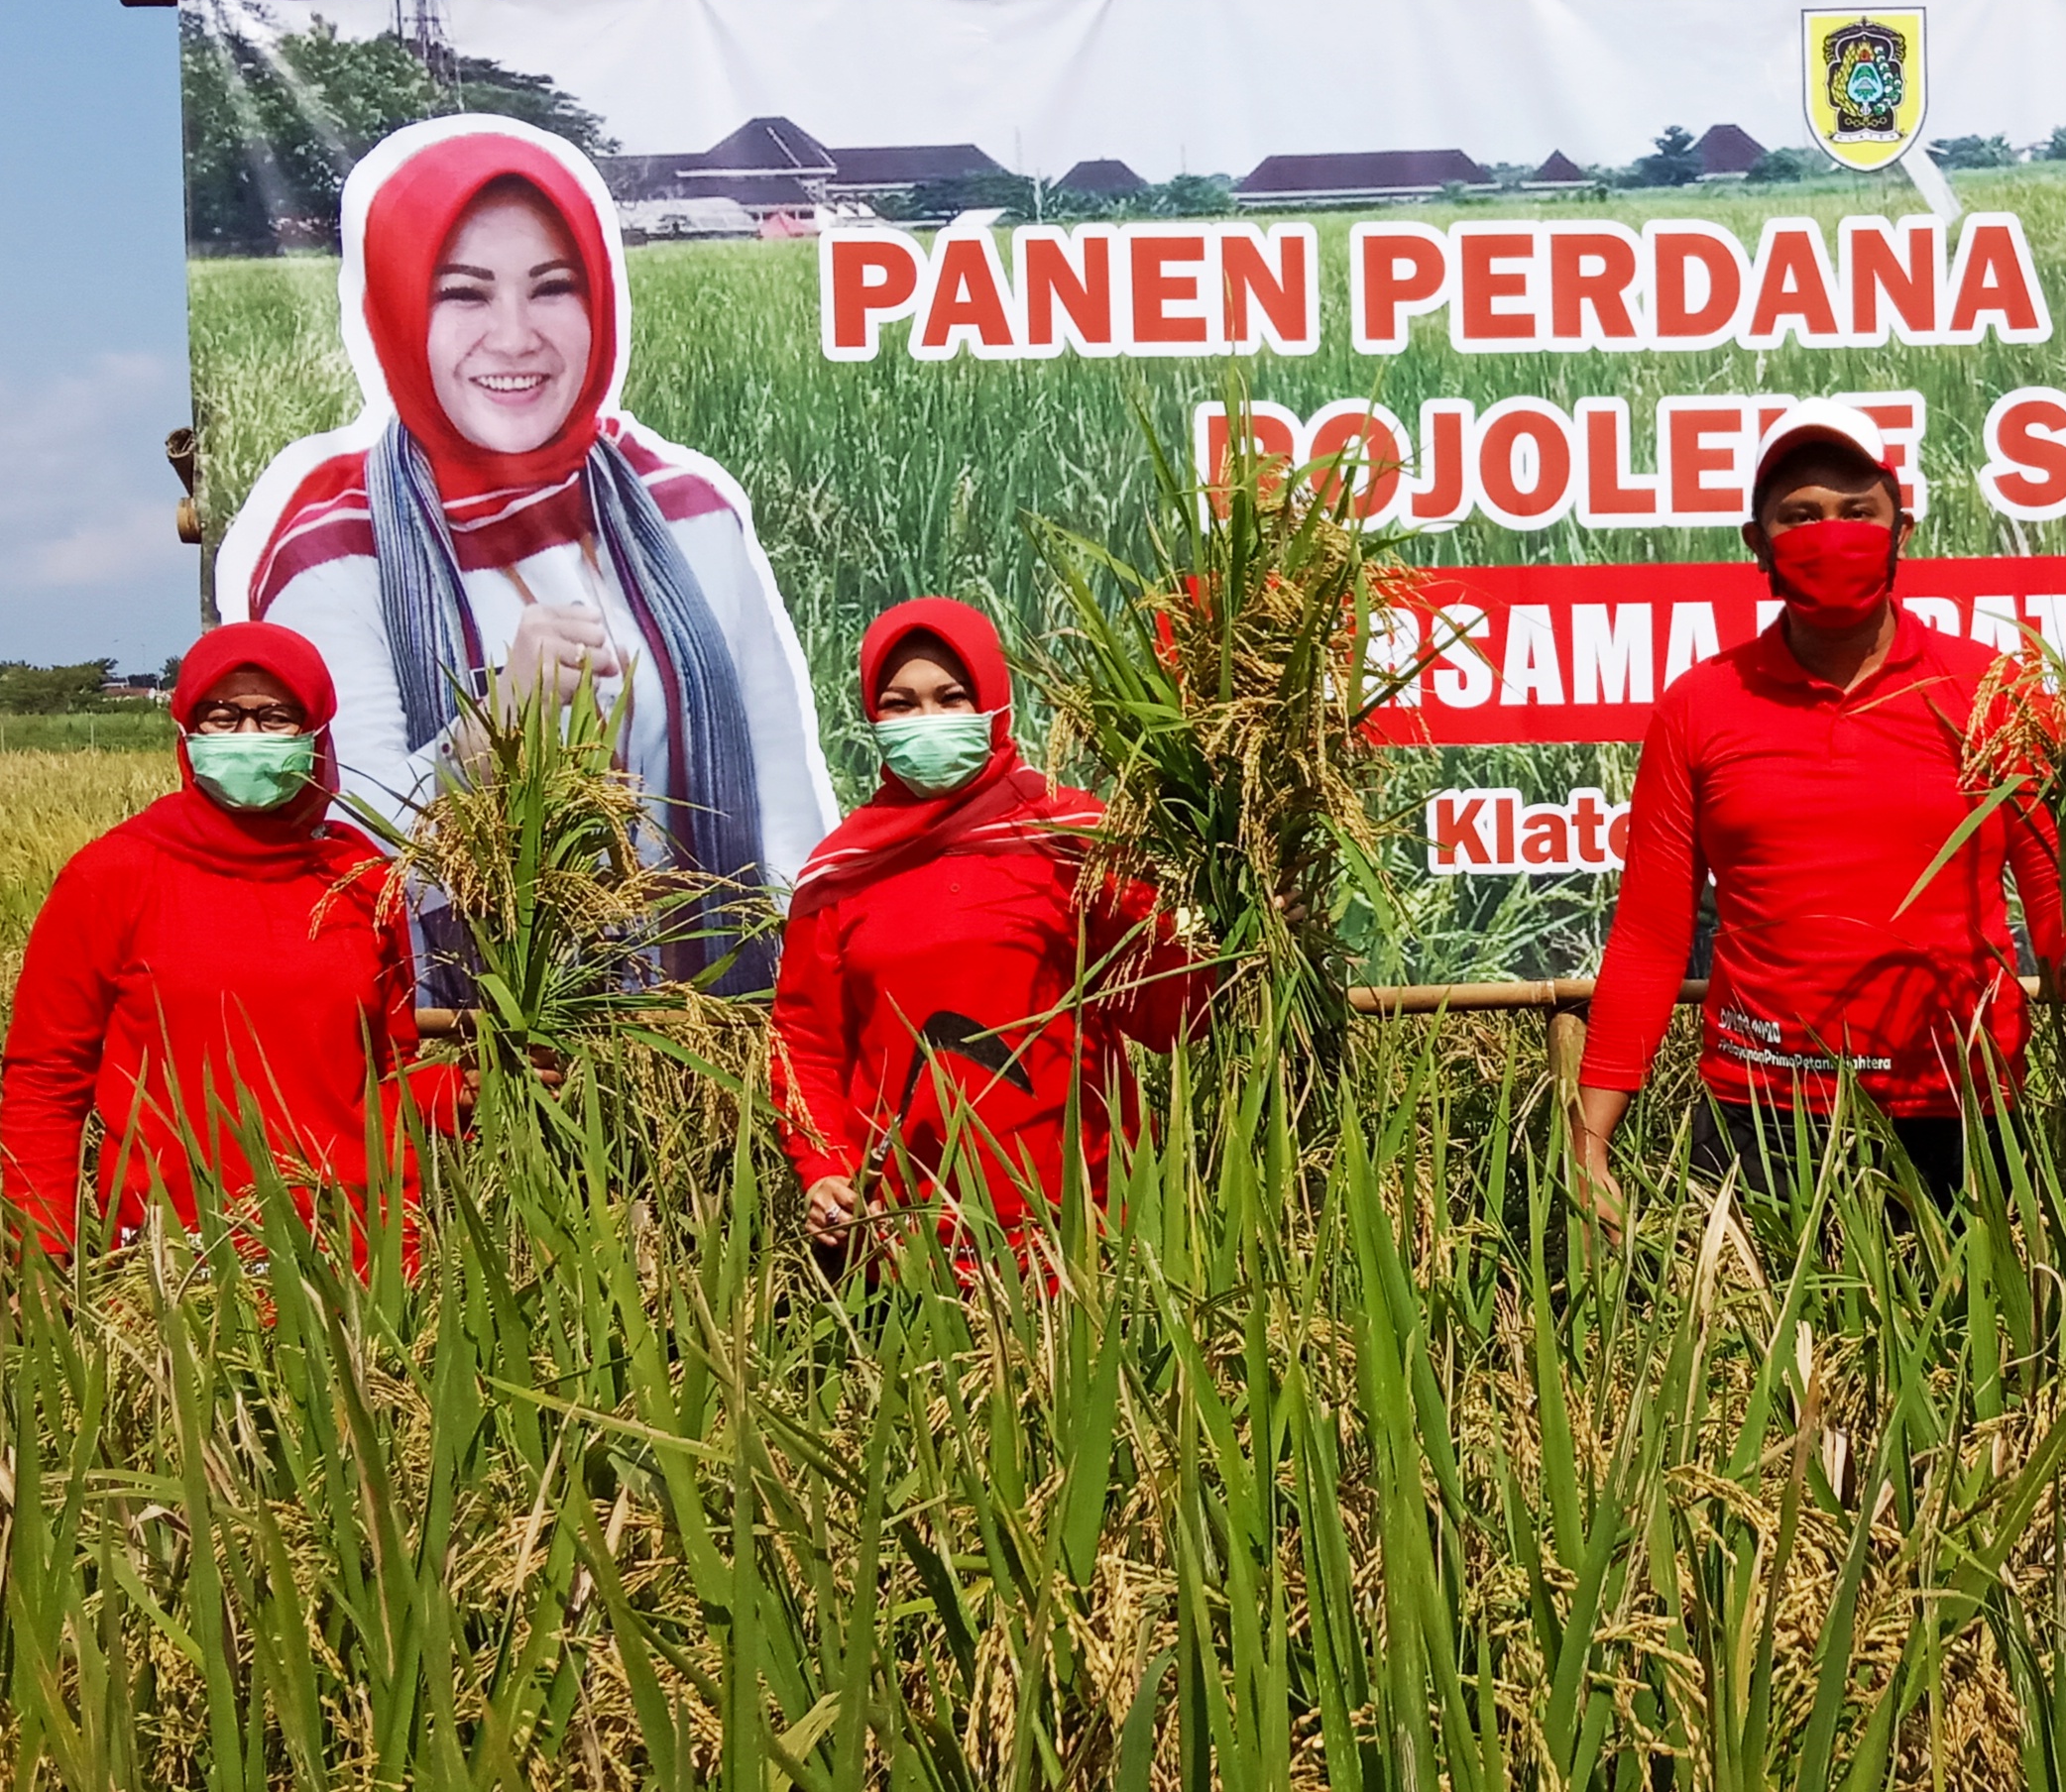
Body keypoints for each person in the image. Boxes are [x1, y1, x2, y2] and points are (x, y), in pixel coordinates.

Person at [216, 116, 835, 958]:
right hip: (467, 1057)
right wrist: (492, 727)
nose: (515, 336)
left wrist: (782, 1025)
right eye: (463, 293)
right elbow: (341, 872)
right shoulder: (334, 554)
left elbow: (784, 820)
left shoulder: (686, 515)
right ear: (397, 311)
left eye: (552, 287)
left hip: (706, 1038)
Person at [1568, 397, 2066, 1214]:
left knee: (1968, 1343)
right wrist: (1590, 1142)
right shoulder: (1699, 706)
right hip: (1759, 1119)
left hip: (1960, 1112)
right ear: (1757, 545)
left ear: (1900, 532)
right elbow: (1651, 935)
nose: (1829, 534)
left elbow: (2056, 905)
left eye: (1856, 513)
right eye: (1800, 516)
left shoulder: (1996, 695)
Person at [0, 622, 466, 1255]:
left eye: (275, 717)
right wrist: (39, 1251)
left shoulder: (359, 881)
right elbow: (45, 1078)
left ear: (315, 733)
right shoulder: (112, 877)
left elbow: (387, 1072)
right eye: (222, 717)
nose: (248, 737)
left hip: (361, 1251)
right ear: (189, 735)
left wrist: (473, 1092)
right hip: (185, 1265)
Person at [770, 598, 1207, 1249]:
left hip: (1084, 1238)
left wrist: (1240, 939)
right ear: (873, 716)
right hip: (906, 1247)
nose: (928, 720)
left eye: (952, 698)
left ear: (995, 703)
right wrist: (824, 1167)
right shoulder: (841, 871)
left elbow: (1164, 1010)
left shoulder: (1074, 839)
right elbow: (806, 1043)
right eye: (901, 704)